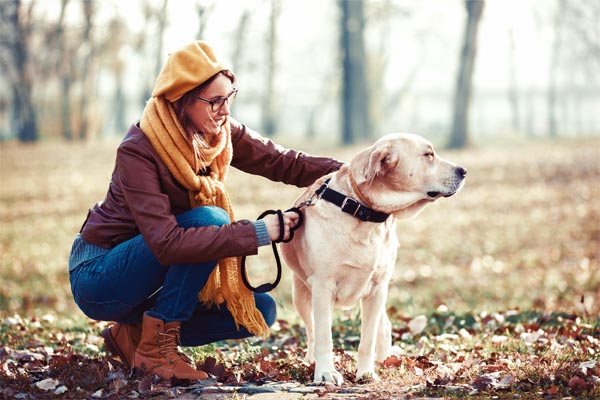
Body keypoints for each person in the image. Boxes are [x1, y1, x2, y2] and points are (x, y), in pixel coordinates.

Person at [68, 41, 343, 380]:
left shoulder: (219, 133)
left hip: (151, 275)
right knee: (210, 218)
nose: (224, 110)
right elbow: (167, 243)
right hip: (99, 277)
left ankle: (134, 335)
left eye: (229, 98)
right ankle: (157, 352)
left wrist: (353, 172)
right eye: (215, 101)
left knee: (260, 311)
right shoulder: (139, 150)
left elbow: (282, 162)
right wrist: (260, 232)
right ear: (182, 99)